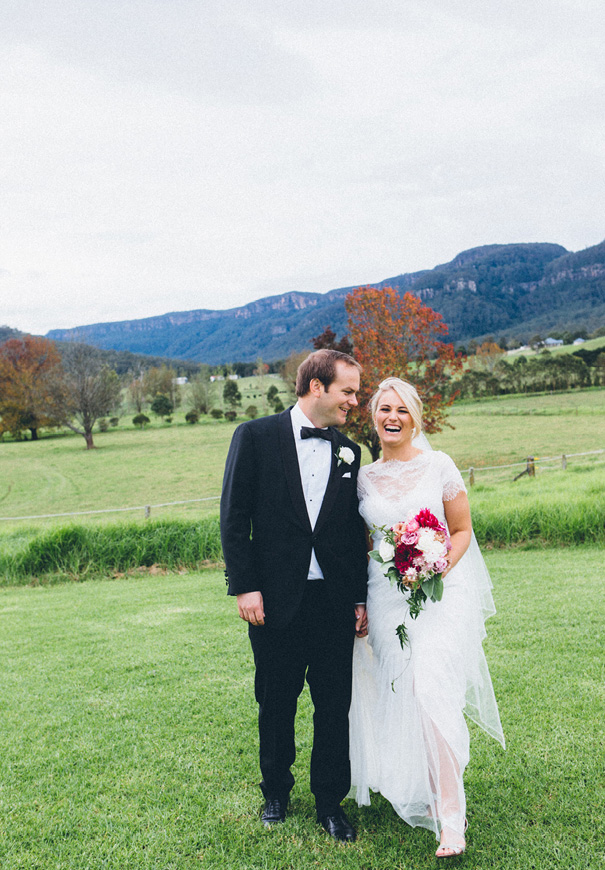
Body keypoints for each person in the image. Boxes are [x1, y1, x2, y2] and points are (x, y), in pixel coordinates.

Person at [348, 377, 505, 859]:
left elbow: (460, 529)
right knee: (403, 693)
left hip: (441, 594)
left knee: (432, 688)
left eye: (402, 410)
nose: (392, 417)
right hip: (385, 597)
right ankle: (418, 780)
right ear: (373, 417)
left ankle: (451, 821)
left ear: (416, 418)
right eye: (383, 409)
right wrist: (359, 602)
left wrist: (434, 564)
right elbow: (360, 544)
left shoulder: (439, 466)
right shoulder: (363, 478)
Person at [220, 349, 369, 842]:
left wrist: (359, 598)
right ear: (316, 387)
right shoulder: (256, 437)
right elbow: (234, 518)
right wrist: (245, 586)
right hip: (273, 600)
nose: (355, 400)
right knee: (276, 701)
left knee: (334, 705)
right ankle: (276, 793)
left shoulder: (351, 452)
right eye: (348, 390)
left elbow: (350, 534)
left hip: (332, 602)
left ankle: (331, 802)